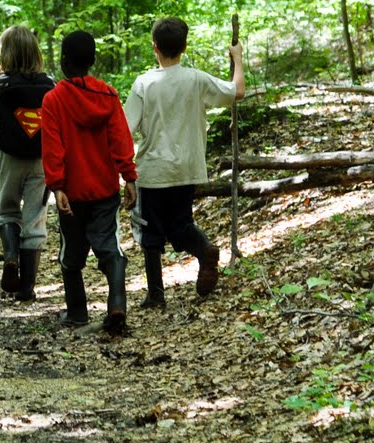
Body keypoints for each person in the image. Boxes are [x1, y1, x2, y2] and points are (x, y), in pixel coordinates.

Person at [122, 17, 244, 307]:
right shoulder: (196, 79)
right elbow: (236, 91)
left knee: (150, 233)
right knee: (180, 224)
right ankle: (203, 249)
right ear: (184, 47)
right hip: (188, 168)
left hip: (152, 170)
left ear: (155, 48)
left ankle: (156, 295)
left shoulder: (144, 83)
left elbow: (124, 130)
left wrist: (124, 173)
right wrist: (238, 59)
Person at [40, 30, 138, 334]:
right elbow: (121, 138)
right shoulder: (108, 95)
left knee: (71, 253)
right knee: (110, 247)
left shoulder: (54, 99)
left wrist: (57, 187)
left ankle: (77, 312)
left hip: (72, 193)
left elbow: (52, 148)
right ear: (93, 61)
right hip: (105, 190)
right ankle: (117, 303)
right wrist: (129, 177)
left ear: (63, 61)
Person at [0, 25, 56, 302]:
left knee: (7, 209)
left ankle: (10, 256)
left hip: (10, 156)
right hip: (42, 158)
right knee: (35, 217)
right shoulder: (51, 83)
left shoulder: (0, 83)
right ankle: (28, 289)